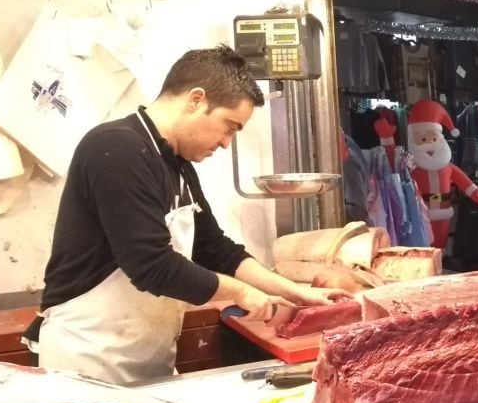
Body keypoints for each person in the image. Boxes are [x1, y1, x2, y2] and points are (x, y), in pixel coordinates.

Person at [25, 46, 348, 385]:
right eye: (229, 126)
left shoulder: (178, 164)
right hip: (86, 359)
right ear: (196, 99)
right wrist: (240, 292)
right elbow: (151, 266)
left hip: (146, 357)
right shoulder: (116, 148)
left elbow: (215, 248)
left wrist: (297, 293)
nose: (226, 143)